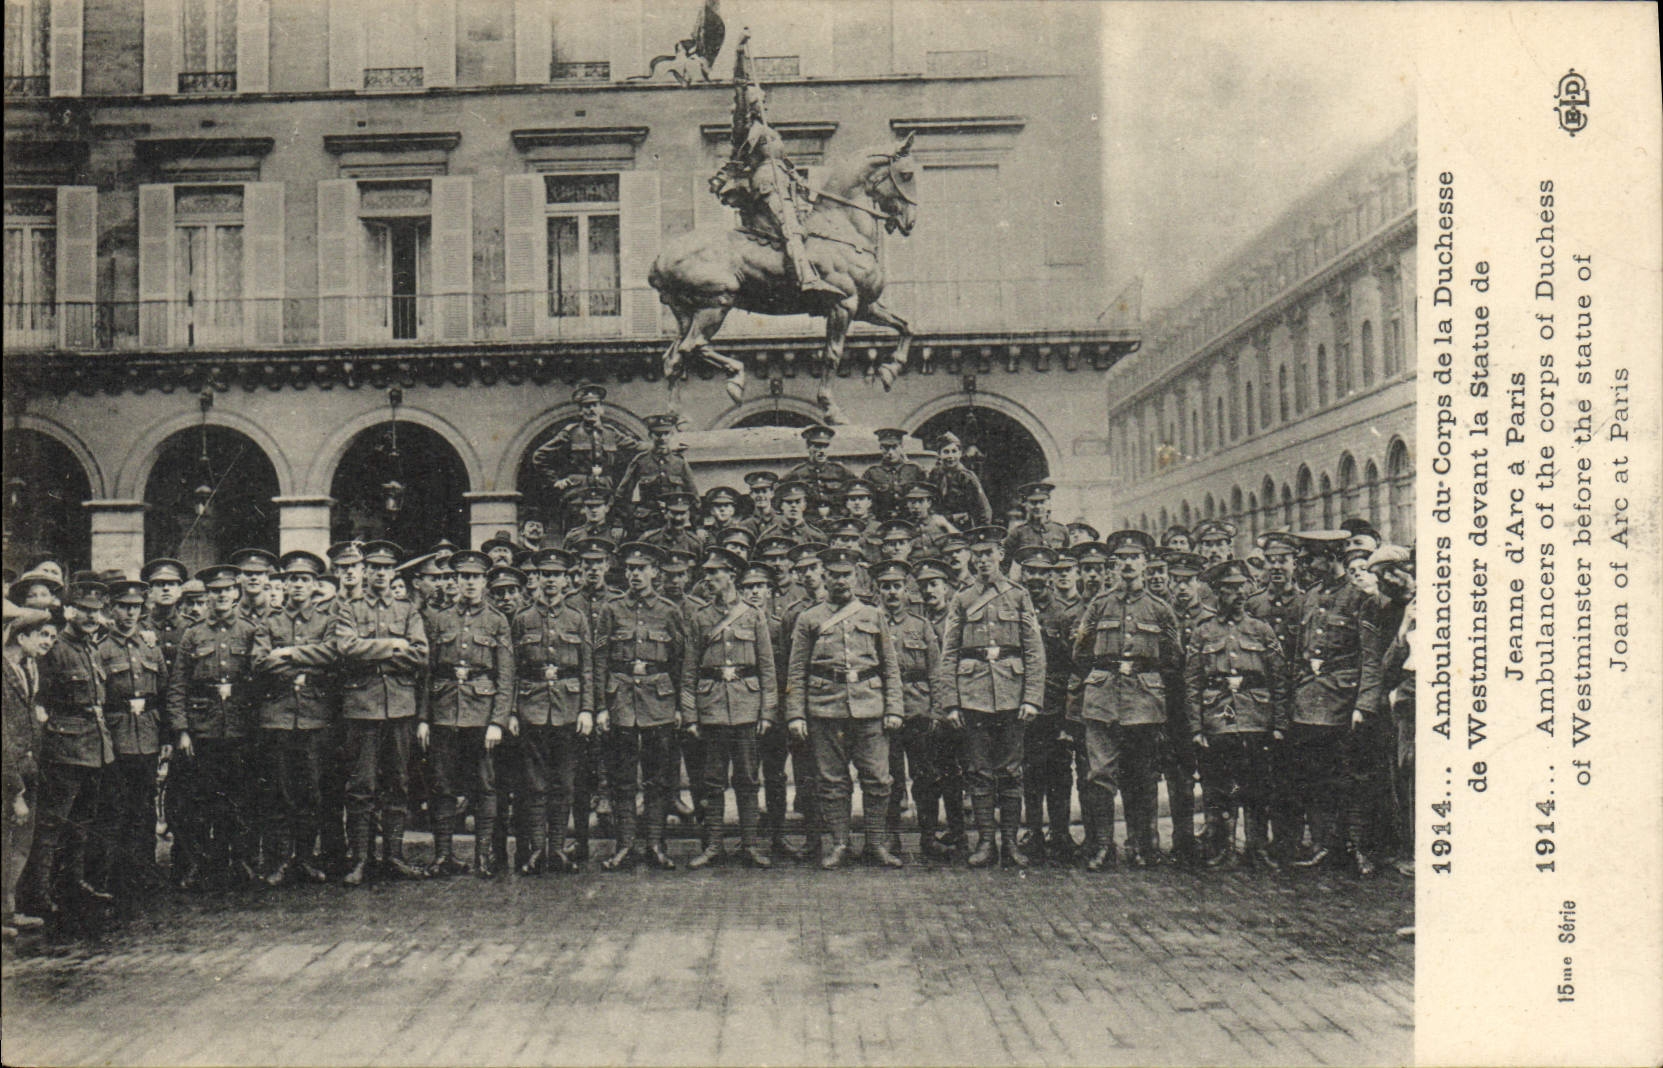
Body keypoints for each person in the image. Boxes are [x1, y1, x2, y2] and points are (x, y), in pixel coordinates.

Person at [1070, 530, 1184, 871]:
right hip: (1103, 699)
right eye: (1122, 559)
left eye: (1135, 558)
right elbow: (1080, 651)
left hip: (1144, 703)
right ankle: (1104, 846)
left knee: (1142, 775)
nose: (1128, 565)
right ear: (1113, 565)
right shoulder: (1099, 605)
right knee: (1100, 774)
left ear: (1146, 564)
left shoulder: (1160, 609)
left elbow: (1174, 657)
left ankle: (1140, 844)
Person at [784, 547, 904, 870]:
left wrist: (894, 708)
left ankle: (876, 843)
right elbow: (796, 671)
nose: (840, 581)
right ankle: (839, 844)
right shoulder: (809, 619)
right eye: (834, 575)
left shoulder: (872, 614)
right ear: (825, 576)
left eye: (846, 575)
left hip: (870, 707)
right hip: (825, 709)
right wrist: (795, 714)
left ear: (856, 576)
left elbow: (890, 666)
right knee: (832, 781)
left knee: (878, 779)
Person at [941, 527, 1046, 868]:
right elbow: (950, 653)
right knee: (979, 771)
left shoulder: (1018, 596)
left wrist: (1032, 698)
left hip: (1013, 697)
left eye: (989, 553)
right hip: (973, 697)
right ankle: (986, 842)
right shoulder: (962, 598)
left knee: (1011, 772)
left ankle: (1011, 844)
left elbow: (1033, 651)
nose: (983, 560)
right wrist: (951, 702)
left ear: (1001, 554)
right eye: (978, 554)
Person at [332, 541, 429, 886]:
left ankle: (394, 856)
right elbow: (346, 649)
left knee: (398, 783)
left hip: (400, 708)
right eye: (373, 568)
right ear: (366, 572)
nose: (380, 574)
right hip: (363, 708)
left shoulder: (408, 611)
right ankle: (360, 858)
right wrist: (394, 645)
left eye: (386, 568)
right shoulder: (348, 609)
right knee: (361, 785)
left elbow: (420, 655)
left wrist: (375, 651)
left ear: (393, 573)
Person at [710, 51, 842, 297]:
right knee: (791, 228)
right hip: (767, 185)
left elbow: (784, 162)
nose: (765, 106)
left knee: (808, 226)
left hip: (784, 183)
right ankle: (807, 277)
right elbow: (739, 99)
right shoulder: (747, 129)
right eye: (760, 103)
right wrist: (739, 56)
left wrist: (798, 180)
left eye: (765, 103)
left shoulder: (769, 131)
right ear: (750, 108)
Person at [164, 567, 264, 890]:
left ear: (236, 593)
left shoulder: (250, 631)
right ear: (207, 595)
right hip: (203, 729)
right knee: (199, 801)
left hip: (239, 728)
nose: (221, 596)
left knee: (238, 799)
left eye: (226, 590)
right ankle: (201, 864)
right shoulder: (193, 635)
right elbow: (178, 686)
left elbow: (258, 681)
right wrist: (181, 730)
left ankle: (238, 862)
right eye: (215, 591)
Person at [1185, 560, 1287, 871]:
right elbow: (1191, 683)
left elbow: (1278, 679)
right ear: (1216, 593)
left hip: (1256, 718)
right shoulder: (1203, 632)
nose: (1239, 594)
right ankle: (1222, 848)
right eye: (1230, 589)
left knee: (1257, 787)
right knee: (1219, 789)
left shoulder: (1261, 629)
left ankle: (1256, 848)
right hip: (1218, 721)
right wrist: (1196, 728)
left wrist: (1279, 723)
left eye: (1242, 588)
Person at [1285, 530, 1376, 875]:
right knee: (1316, 777)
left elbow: (1369, 656)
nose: (1307, 565)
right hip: (1309, 702)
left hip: (1343, 700)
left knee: (1350, 778)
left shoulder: (1358, 597)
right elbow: (1299, 654)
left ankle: (1358, 848)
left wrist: (1363, 704)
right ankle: (1326, 845)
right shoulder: (1310, 597)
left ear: (1333, 557)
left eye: (1313, 559)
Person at [681, 547, 778, 870]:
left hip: (747, 707)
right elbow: (689, 671)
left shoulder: (753, 615)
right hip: (712, 708)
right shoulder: (700, 618)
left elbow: (767, 669)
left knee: (748, 778)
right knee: (712, 780)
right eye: (707, 573)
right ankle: (713, 845)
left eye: (714, 573)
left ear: (731, 575)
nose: (708, 579)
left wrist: (767, 712)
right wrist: (692, 714)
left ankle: (750, 845)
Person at [421, 550, 513, 878]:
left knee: (485, 787)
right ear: (456, 581)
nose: (469, 583)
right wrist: (423, 718)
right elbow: (428, 673)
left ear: (485, 581)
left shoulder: (497, 621)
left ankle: (483, 856)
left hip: (481, 713)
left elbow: (506, 677)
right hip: (444, 711)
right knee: (442, 785)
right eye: (464, 577)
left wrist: (498, 722)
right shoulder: (439, 619)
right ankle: (443, 855)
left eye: (475, 577)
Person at [595, 543, 687, 871]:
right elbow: (601, 658)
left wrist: (679, 705)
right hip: (620, 698)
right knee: (622, 778)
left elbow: (679, 660)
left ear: (654, 573)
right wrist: (600, 706)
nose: (635, 575)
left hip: (659, 700)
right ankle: (624, 845)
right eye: (631, 569)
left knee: (658, 777)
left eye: (642, 569)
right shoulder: (611, 609)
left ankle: (655, 844)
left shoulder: (668, 610)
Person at [251, 551, 338, 886]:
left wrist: (286, 653)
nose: (298, 585)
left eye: (304, 579)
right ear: (284, 584)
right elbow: (259, 662)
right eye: (292, 579)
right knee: (279, 793)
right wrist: (304, 665)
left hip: (315, 717)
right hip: (278, 717)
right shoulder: (269, 621)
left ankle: (305, 858)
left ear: (315, 584)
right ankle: (279, 861)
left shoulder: (327, 620)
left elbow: (332, 653)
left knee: (312, 793)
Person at [510, 548, 594, 875]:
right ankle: (537, 850)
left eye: (556, 575)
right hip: (531, 707)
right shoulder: (522, 618)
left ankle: (558, 848)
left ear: (565, 579)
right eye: (545, 575)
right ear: (538, 579)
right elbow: (514, 669)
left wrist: (587, 709)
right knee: (534, 784)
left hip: (568, 709)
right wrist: (514, 712)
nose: (550, 581)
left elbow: (587, 669)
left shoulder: (577, 618)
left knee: (564, 783)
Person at [96, 579, 170, 901]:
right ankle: (116, 874)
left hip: (148, 736)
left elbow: (164, 691)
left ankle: (144, 870)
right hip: (116, 734)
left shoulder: (150, 646)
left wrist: (165, 734)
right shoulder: (101, 648)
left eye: (135, 607)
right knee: (115, 807)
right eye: (124, 607)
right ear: (112, 609)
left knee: (145, 806)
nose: (129, 613)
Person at [875, 559, 942, 863]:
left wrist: (937, 711)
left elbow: (936, 672)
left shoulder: (921, 625)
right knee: (890, 778)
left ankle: (929, 836)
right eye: (886, 587)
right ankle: (891, 837)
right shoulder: (871, 622)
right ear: (878, 591)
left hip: (918, 711)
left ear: (906, 591)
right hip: (886, 712)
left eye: (897, 587)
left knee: (926, 777)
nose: (891, 592)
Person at [1015, 547, 1077, 865]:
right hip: (1024, 702)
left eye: (1043, 572)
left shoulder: (1064, 614)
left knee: (1060, 770)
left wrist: (1068, 712)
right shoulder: (1013, 609)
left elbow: (1072, 665)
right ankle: (1034, 831)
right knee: (1030, 769)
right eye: (1031, 572)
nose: (1036, 578)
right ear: (1022, 575)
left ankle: (1061, 832)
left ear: (1051, 576)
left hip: (1054, 704)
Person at [1245, 531, 1305, 861]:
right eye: (1272, 561)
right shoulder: (1254, 604)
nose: (1277, 567)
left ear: (1295, 563)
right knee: (1257, 773)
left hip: (1295, 700)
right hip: (1260, 701)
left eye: (1283, 560)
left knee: (1291, 775)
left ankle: (1289, 842)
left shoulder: (1306, 602)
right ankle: (1257, 843)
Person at [4, 608, 58, 936]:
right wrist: (15, 789)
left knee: (19, 845)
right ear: (21, 637)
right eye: (41, 635)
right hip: (11, 772)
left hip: (28, 766)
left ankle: (8, 913)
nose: (47, 642)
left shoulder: (27, 669)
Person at [1363, 545, 1415, 879]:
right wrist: (1404, 627)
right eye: (1382, 578)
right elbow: (1384, 664)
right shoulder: (1386, 611)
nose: (1387, 582)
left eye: (1390, 574)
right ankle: (1409, 848)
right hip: (1405, 702)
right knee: (1406, 772)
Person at [531, 384, 643, 510]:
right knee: (576, 525)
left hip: (604, 490)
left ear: (601, 409)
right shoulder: (571, 432)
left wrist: (659, 444)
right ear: (581, 411)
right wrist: (555, 480)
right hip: (577, 491)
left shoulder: (611, 433)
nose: (591, 409)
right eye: (586, 406)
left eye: (595, 405)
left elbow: (637, 446)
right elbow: (539, 455)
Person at [614, 414, 698, 529]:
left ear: (671, 435)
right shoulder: (641, 461)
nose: (662, 438)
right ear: (650, 436)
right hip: (647, 522)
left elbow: (693, 494)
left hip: (674, 520)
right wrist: (619, 523)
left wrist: (699, 526)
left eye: (666, 434)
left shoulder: (679, 462)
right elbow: (623, 493)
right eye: (658, 434)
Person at [925, 432, 992, 530]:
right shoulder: (935, 474)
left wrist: (982, 530)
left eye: (954, 451)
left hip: (962, 527)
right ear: (939, 454)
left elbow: (983, 508)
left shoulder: (967, 477)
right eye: (946, 452)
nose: (950, 456)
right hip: (938, 526)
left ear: (960, 453)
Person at [784, 425, 853, 518]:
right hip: (809, 521)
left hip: (837, 521)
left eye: (825, 446)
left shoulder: (840, 471)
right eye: (817, 446)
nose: (821, 451)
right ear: (808, 447)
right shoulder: (797, 473)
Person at [862, 428, 926, 522]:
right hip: (881, 522)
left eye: (894, 447)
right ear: (880, 447)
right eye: (886, 448)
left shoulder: (914, 470)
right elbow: (866, 500)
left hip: (910, 521)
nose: (890, 452)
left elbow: (927, 498)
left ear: (901, 446)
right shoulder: (872, 472)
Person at [1003, 482, 1070, 564]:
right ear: (1026, 505)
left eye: (1042, 502)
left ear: (1049, 504)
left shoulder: (1061, 530)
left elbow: (1067, 560)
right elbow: (1005, 562)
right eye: (1033, 503)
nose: (1038, 507)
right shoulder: (1018, 532)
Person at [757, 480, 825, 545]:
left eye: (798, 502)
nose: (793, 505)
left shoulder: (817, 536)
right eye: (789, 502)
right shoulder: (768, 536)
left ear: (805, 505)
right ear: (780, 505)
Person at [738, 471, 779, 539]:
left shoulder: (781, 521)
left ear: (772, 493)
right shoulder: (744, 525)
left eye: (764, 491)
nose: (760, 495)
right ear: (751, 494)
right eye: (757, 492)